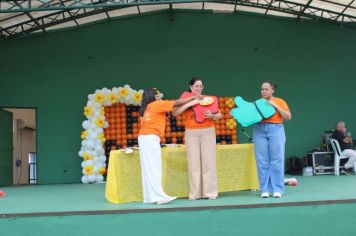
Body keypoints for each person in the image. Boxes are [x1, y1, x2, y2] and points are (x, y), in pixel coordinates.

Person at [138, 88, 200, 204]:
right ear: (153, 97)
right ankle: (159, 197)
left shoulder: (148, 108)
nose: (159, 97)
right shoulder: (156, 104)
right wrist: (192, 98)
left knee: (148, 169)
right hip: (150, 137)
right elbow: (177, 103)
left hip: (144, 137)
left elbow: (171, 111)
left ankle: (149, 197)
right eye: (157, 95)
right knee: (155, 168)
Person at [173, 77, 222, 200]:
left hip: (208, 131)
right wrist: (190, 103)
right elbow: (175, 112)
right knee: (193, 163)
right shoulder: (185, 98)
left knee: (209, 162)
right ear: (191, 87)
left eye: (201, 86)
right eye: (196, 86)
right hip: (191, 132)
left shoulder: (208, 99)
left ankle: (210, 193)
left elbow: (219, 114)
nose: (199, 88)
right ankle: (195, 193)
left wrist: (213, 115)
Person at [253, 81, 291, 198]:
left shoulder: (280, 101)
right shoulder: (257, 103)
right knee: (261, 161)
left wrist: (275, 105)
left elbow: (288, 117)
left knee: (277, 160)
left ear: (272, 90)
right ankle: (264, 189)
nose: (263, 91)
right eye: (262, 89)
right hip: (259, 130)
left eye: (266, 89)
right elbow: (251, 118)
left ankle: (277, 189)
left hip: (276, 129)